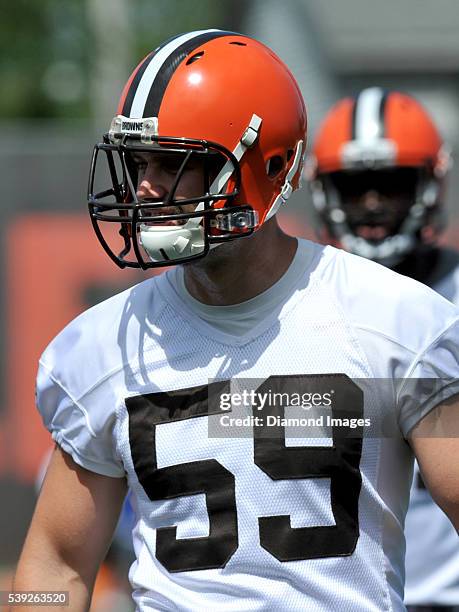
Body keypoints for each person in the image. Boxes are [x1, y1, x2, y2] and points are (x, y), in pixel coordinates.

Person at [13, 33, 459, 612]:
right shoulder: (101, 346)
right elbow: (55, 566)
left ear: (266, 167)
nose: (146, 187)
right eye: (140, 161)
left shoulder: (397, 323)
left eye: (175, 163)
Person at [306, 86, 459, 612]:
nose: (371, 203)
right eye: (355, 186)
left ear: (427, 184)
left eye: (389, 184)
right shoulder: (289, 309)